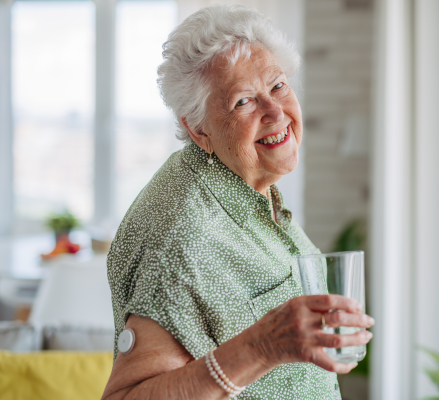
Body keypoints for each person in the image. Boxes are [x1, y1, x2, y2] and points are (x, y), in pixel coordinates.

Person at [101, 4, 374, 400]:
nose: (275, 111)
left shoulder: (246, 186)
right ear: (198, 129)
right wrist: (263, 346)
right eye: (243, 101)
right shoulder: (179, 236)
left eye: (278, 85)